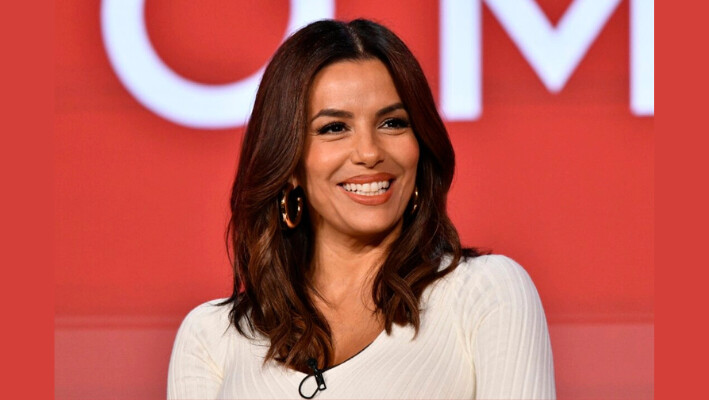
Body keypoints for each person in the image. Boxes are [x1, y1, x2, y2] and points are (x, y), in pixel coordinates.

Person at [167, 19, 555, 399]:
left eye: (392, 122)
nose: (370, 152)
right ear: (290, 165)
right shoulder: (211, 337)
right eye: (334, 128)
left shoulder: (485, 292)